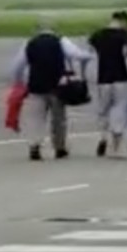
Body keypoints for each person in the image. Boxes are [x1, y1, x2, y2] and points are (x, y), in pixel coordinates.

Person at [10, 19, 92, 161]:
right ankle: (59, 148)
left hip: (36, 86)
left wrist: (19, 81)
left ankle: (34, 145)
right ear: (54, 30)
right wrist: (90, 55)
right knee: (58, 119)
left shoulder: (30, 43)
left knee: (36, 119)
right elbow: (77, 55)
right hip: (57, 86)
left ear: (37, 30)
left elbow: (18, 66)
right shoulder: (61, 41)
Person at [88, 11, 127, 158]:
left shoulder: (98, 35)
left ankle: (102, 138)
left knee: (103, 110)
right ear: (123, 21)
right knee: (119, 108)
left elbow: (92, 50)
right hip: (121, 76)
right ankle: (116, 143)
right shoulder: (124, 35)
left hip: (103, 77)